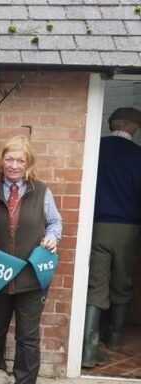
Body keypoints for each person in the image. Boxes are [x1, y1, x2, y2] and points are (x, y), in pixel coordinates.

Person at [0, 136, 62, 384]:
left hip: (31, 277)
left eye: (20, 160)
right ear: (1, 161)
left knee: (27, 338)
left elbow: (54, 222)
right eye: (9, 159)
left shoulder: (41, 191)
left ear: (29, 165)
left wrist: (53, 237)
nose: (14, 165)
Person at [83, 107, 141, 368]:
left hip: (94, 226)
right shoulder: (138, 157)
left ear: (111, 124)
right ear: (135, 128)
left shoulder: (95, 149)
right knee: (123, 282)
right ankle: (115, 338)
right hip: (128, 229)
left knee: (96, 285)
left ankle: (87, 348)